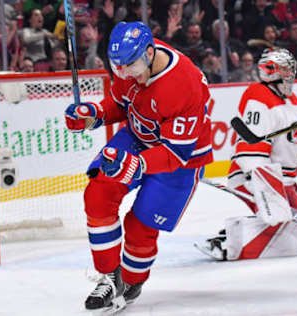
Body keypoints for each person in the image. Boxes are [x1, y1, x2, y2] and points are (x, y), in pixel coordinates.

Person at [64, 21, 213, 312]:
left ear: (149, 52)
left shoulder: (183, 84)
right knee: (98, 194)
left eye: (130, 67)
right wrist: (94, 114)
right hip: (137, 136)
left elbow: (176, 153)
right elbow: (121, 103)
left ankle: (131, 282)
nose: (124, 75)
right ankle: (110, 277)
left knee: (140, 226)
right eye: (117, 68)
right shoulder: (129, 61)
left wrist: (135, 164)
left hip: (181, 159)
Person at [195, 48, 297, 261]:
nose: (290, 73)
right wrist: (265, 188)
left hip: (283, 179)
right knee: (280, 219)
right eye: (285, 69)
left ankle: (241, 232)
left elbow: (292, 147)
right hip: (252, 177)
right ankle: (226, 242)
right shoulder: (258, 97)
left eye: (290, 68)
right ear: (271, 71)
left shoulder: (291, 99)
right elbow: (251, 151)